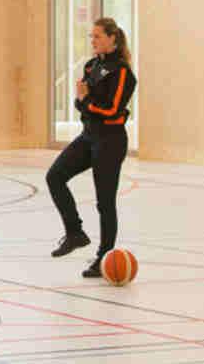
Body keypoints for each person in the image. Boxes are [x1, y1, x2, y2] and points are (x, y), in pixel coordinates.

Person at [46, 17, 136, 278]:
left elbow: (111, 110)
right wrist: (82, 100)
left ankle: (104, 255)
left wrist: (85, 102)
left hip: (110, 141)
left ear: (112, 38)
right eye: (91, 36)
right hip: (89, 136)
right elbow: (83, 101)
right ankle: (75, 232)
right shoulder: (94, 66)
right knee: (55, 176)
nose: (93, 41)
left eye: (97, 36)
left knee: (105, 202)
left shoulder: (122, 72)